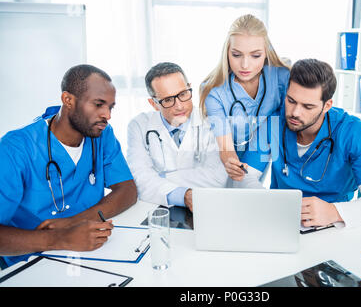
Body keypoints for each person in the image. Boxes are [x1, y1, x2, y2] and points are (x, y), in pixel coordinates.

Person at [0, 64, 137, 269]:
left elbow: (128, 190)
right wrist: (60, 238)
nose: (107, 115)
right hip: (29, 263)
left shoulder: (101, 134)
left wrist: (75, 221)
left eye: (111, 107)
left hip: (90, 254)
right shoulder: (16, 148)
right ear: (68, 100)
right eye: (98, 104)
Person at [241, 59, 361, 228]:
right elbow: (245, 176)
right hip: (280, 221)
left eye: (308, 106)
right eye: (291, 101)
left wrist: (334, 211)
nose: (295, 113)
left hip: (331, 226)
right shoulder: (274, 122)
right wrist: (270, 202)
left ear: (327, 105)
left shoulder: (352, 132)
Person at [199, 14, 290, 183]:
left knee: (250, 195)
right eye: (237, 55)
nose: (245, 65)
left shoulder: (281, 78)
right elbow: (225, 147)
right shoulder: (214, 91)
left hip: (262, 150)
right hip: (220, 155)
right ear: (227, 52)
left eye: (255, 56)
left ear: (266, 53)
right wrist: (231, 162)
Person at [127, 62, 227, 211]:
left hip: (208, 207)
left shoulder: (211, 120)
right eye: (168, 100)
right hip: (156, 210)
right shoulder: (139, 126)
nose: (179, 106)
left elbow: (218, 178)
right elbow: (139, 178)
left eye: (183, 94)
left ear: (189, 87)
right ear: (153, 103)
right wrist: (183, 195)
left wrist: (160, 178)